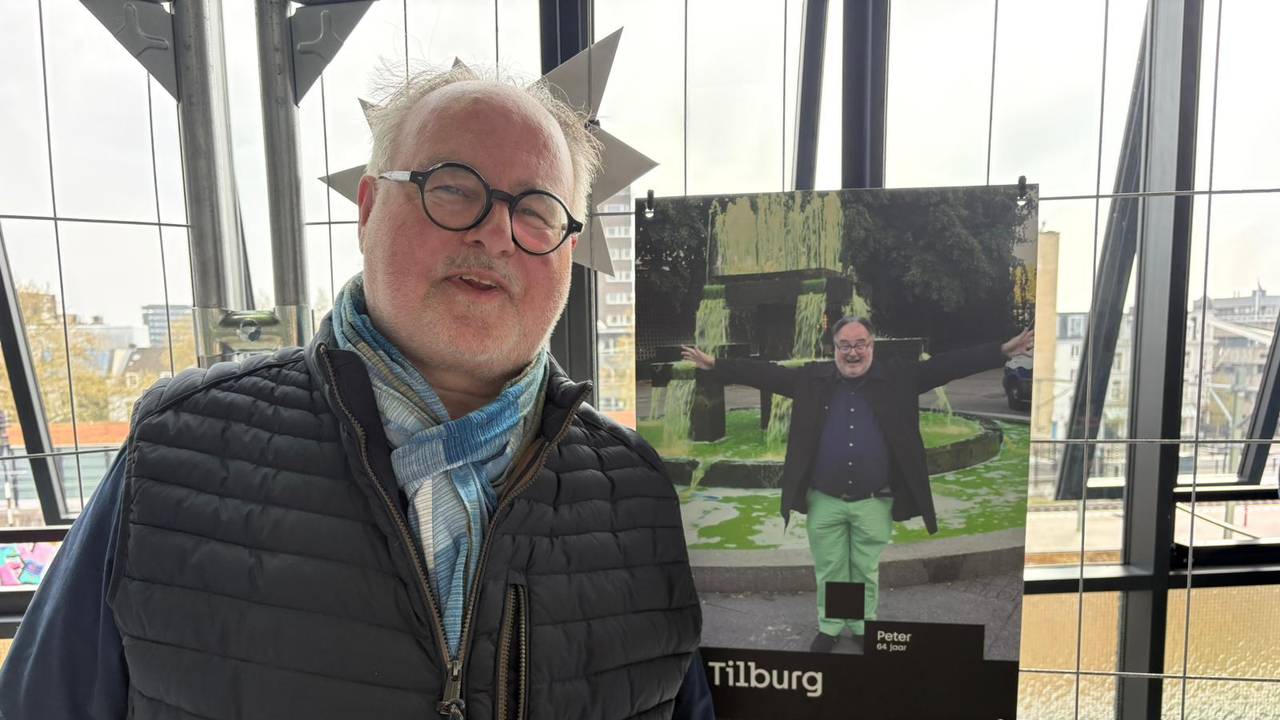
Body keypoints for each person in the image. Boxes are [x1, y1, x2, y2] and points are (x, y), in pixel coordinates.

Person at [0, 67, 712, 720]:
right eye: (455, 187)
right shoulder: (175, 451)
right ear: (367, 207)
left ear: (568, 247)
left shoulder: (638, 494)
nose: (497, 234)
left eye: (537, 210)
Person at [682, 316, 1032, 654]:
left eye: (860, 344)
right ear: (834, 348)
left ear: (871, 345)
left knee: (864, 568)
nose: (852, 352)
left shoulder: (899, 377)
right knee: (832, 568)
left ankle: (864, 626)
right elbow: (766, 374)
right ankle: (832, 626)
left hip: (873, 501)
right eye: (844, 345)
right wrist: (716, 365)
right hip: (825, 500)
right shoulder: (813, 379)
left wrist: (1000, 350)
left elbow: (948, 365)